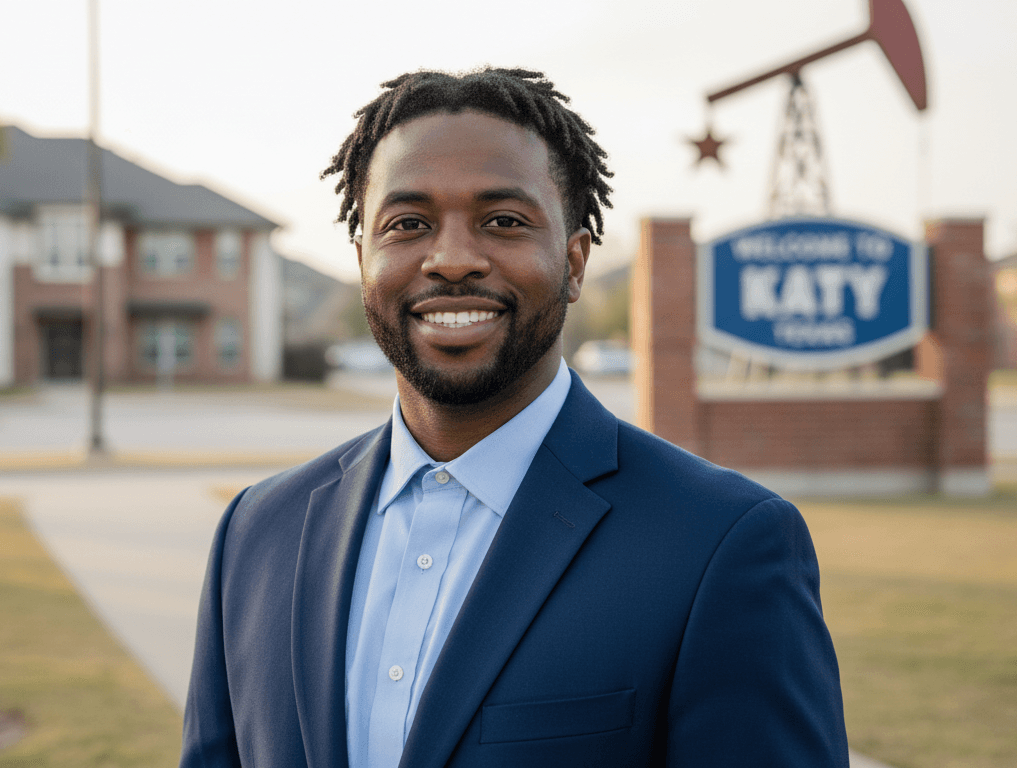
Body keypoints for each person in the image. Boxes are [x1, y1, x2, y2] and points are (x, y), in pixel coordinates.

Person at [180, 68, 847, 768]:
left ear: (575, 262)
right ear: (362, 259)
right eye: (408, 224)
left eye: (504, 221)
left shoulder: (720, 544)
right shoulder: (255, 533)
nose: (453, 259)